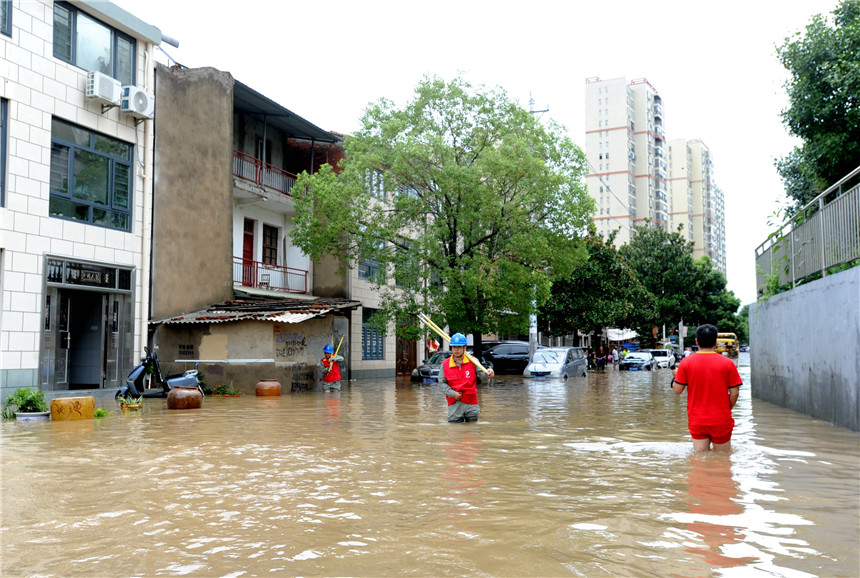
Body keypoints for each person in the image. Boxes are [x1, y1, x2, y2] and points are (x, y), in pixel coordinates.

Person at [671, 324, 743, 452]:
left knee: (700, 459)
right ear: (716, 342)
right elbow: (735, 392)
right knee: (723, 458)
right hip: (721, 419)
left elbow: (678, 390)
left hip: (697, 419)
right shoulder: (728, 363)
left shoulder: (686, 362)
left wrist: (675, 377)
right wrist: (727, 407)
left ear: (697, 341)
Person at [438, 332, 494, 423]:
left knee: (473, 429)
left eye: (459, 347)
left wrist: (488, 373)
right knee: (454, 430)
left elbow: (482, 376)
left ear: (465, 347)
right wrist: (452, 393)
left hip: (471, 402)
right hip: (454, 402)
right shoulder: (445, 364)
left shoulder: (473, 361)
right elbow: (441, 383)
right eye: (454, 347)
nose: (456, 350)